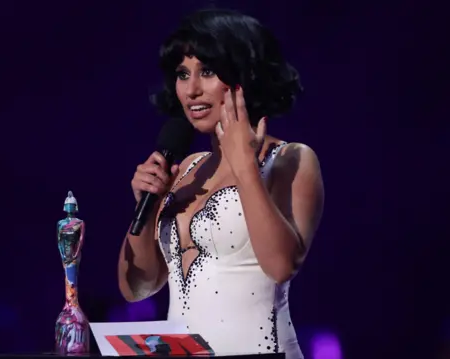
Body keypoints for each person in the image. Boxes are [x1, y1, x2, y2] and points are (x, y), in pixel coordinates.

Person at [117, 8, 324, 359]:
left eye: (208, 72)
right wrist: (149, 206)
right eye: (183, 74)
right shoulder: (186, 168)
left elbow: (280, 266)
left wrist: (245, 168)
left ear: (244, 75)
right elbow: (137, 287)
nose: (192, 90)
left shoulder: (291, 160)